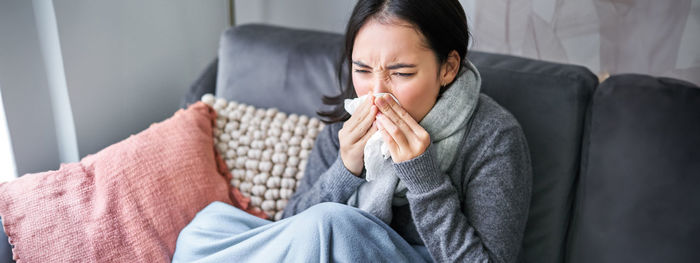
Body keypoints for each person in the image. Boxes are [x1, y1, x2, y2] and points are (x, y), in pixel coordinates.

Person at [172, 0, 532, 262]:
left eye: (402, 72)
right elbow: (291, 228)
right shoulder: (350, 125)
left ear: (448, 68)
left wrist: (424, 179)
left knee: (330, 224)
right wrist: (345, 169)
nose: (377, 92)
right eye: (362, 70)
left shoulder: (493, 137)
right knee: (207, 226)